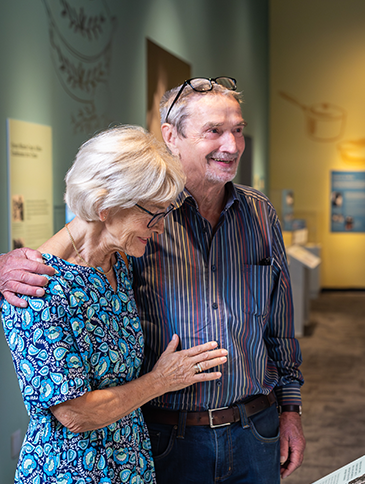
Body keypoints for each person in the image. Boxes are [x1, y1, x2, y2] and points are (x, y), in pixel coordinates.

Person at [0, 77, 305, 483]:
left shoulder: (255, 215)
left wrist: (290, 409)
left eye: (237, 130)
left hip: (245, 431)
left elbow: (279, 327)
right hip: (159, 441)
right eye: (213, 131)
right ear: (171, 136)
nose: (231, 146)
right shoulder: (129, 231)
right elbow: (76, 243)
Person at [1, 125, 228, 483]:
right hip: (72, 472)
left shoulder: (117, 264)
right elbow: (75, 414)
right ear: (106, 204)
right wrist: (161, 381)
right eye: (154, 213)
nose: (160, 228)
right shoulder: (36, 287)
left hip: (128, 462)